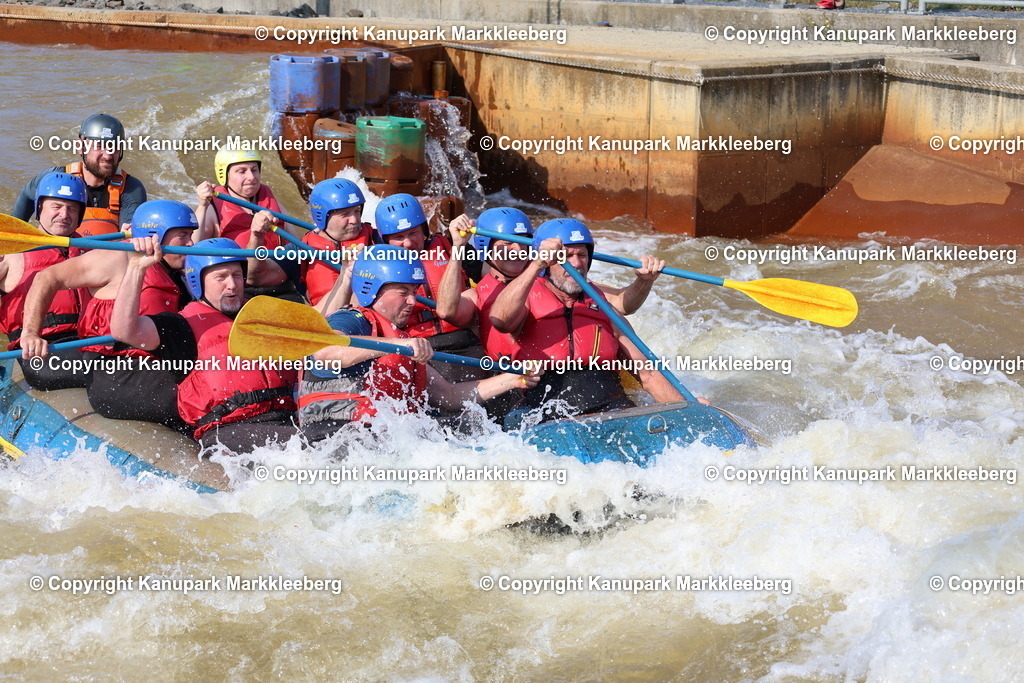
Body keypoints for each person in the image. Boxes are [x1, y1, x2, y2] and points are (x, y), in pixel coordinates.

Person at [298, 245, 541, 443]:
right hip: (335, 437)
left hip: (384, 437)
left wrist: (512, 379)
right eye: (403, 292)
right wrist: (395, 344)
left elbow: (450, 395)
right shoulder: (352, 319)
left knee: (473, 428)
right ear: (372, 290)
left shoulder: (402, 341)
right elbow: (326, 350)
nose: (413, 301)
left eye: (414, 291)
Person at [490, 218, 686, 426]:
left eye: (581, 255)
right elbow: (500, 320)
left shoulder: (604, 307)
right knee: (514, 421)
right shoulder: (526, 298)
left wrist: (688, 410)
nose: (575, 264)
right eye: (565, 256)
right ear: (547, 262)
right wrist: (536, 263)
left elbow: (649, 373)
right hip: (542, 409)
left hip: (609, 407)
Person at [111, 238, 298, 452]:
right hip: (227, 431)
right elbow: (124, 330)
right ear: (197, 281)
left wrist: (344, 277)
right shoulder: (180, 327)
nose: (232, 284)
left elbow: (316, 329)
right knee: (309, 445)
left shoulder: (262, 316)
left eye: (237, 275)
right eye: (221, 277)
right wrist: (136, 268)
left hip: (283, 418)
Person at [20, 200, 195, 427]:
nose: (191, 243)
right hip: (114, 366)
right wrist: (31, 332)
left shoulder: (178, 271)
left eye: (191, 235)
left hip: (150, 362)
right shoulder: (116, 258)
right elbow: (47, 278)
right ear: (155, 234)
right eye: (183, 236)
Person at [373, 193, 485, 383]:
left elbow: (492, 276)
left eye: (413, 233)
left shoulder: (451, 245)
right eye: (399, 237)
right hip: (418, 347)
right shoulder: (376, 265)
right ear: (385, 240)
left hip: (465, 338)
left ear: (424, 230)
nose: (407, 243)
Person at [0, 172, 89, 390]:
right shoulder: (12, 252)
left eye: (72, 209)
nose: (64, 214)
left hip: (87, 340)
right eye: (56, 206)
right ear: (40, 208)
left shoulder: (94, 249)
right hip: (40, 349)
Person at [13, 114, 146, 236]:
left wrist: (130, 234)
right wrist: (14, 236)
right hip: (61, 256)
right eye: (99, 146)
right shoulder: (55, 178)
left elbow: (128, 232)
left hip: (102, 259)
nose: (108, 155)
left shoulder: (131, 188)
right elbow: (26, 196)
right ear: (80, 147)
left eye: (114, 146)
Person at [195, 148, 295, 295]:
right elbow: (192, 249)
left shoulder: (271, 201)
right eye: (241, 171)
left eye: (254, 170)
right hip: (241, 289)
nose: (251, 177)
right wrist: (202, 206)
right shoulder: (213, 207)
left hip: (281, 283)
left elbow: (296, 243)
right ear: (224, 175)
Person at [301, 178, 374, 309]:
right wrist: (257, 237)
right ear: (323, 216)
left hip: (363, 318)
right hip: (324, 320)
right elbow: (257, 277)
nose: (354, 220)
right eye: (345, 214)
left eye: (357, 211)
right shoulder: (301, 248)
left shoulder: (375, 239)